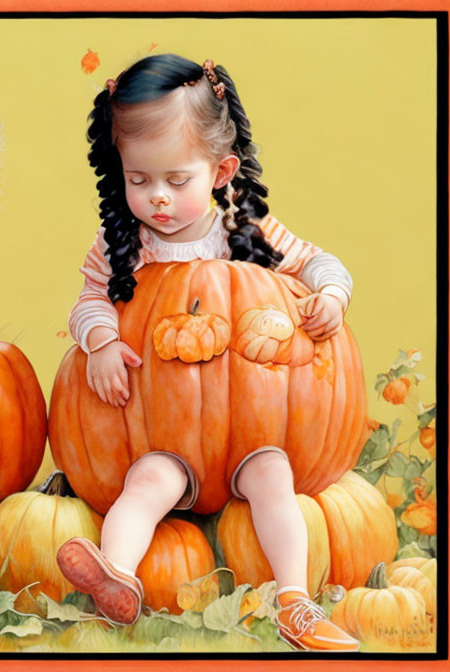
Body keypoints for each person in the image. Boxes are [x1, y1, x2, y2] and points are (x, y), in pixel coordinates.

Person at [55, 53, 358, 652]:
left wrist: (332, 291)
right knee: (143, 483)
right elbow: (87, 302)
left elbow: (320, 260)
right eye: (138, 181)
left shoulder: (245, 228)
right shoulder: (123, 246)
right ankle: (113, 578)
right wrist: (102, 340)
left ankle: (295, 601)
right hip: (167, 437)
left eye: (175, 180)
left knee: (273, 477)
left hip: (254, 430)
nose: (156, 199)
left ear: (220, 171)